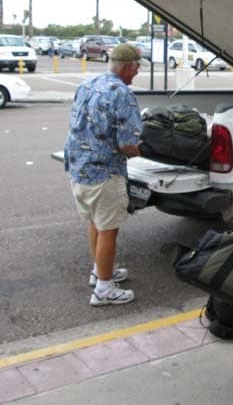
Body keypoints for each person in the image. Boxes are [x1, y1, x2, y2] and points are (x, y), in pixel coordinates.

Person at [64, 43, 143, 307]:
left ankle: (100, 271)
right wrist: (140, 152)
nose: (138, 72)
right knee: (109, 229)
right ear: (128, 66)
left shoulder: (88, 84)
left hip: (78, 168)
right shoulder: (122, 94)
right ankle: (104, 290)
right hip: (104, 172)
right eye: (137, 66)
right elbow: (127, 145)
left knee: (96, 223)